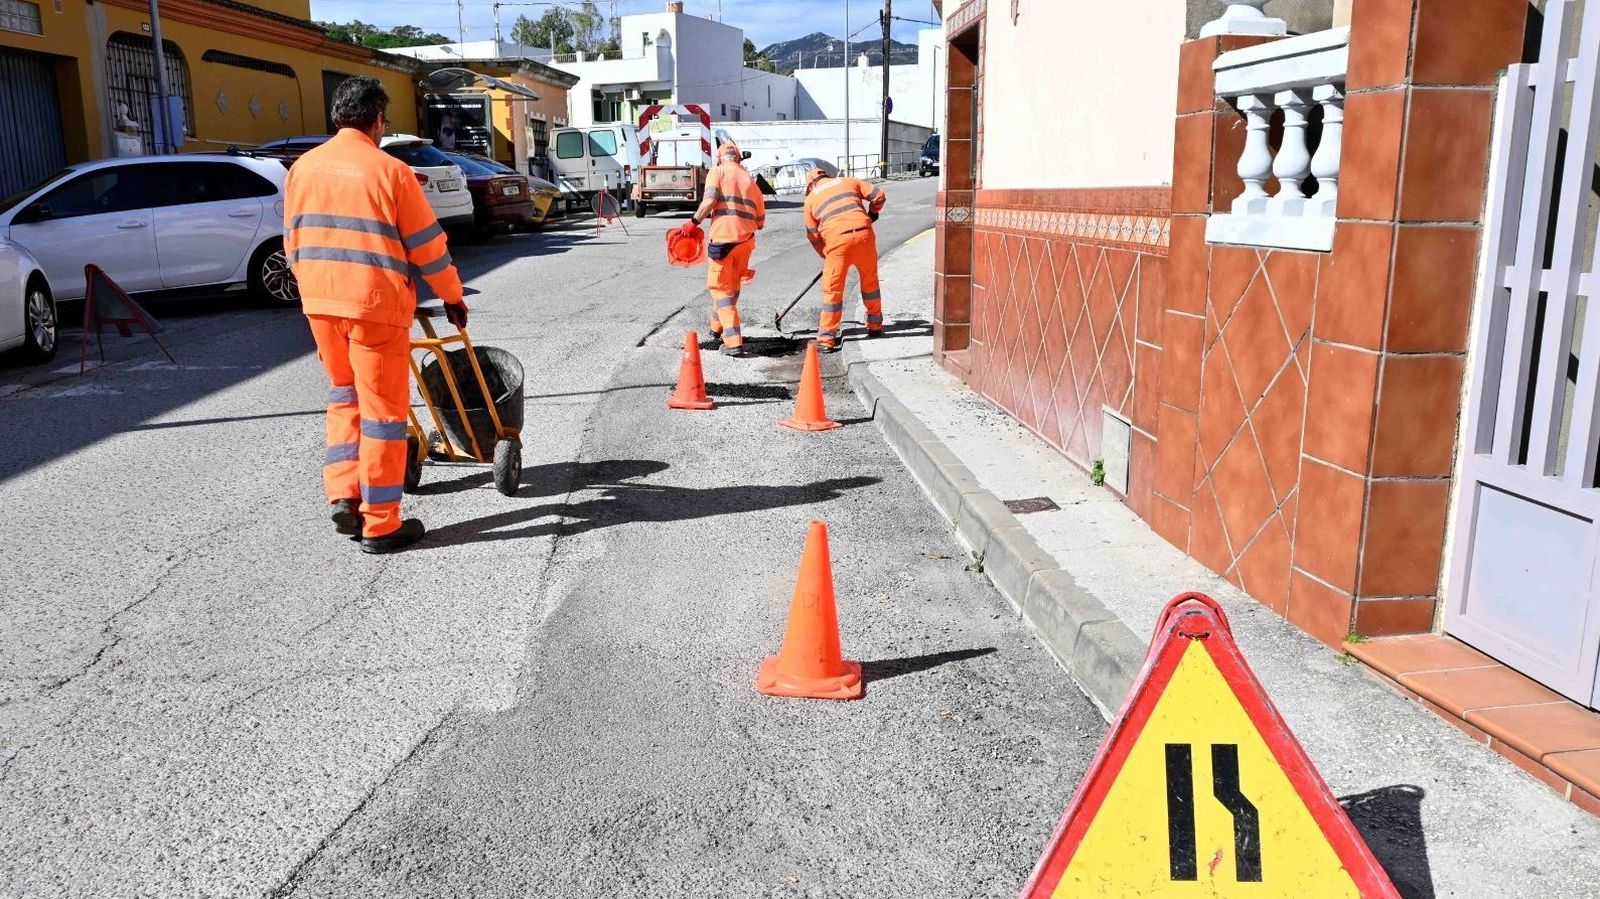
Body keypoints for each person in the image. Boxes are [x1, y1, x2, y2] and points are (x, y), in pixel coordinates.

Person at [284, 76, 468, 554]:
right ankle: (381, 523)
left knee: (344, 398)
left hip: (321, 305)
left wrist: (314, 290)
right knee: (384, 414)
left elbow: (293, 241)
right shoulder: (389, 171)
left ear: (337, 118)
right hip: (373, 308)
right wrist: (451, 295)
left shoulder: (302, 170)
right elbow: (428, 247)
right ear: (378, 121)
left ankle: (344, 495)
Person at [679, 140, 765, 357]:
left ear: (720, 158)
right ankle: (716, 327)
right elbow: (761, 220)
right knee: (732, 286)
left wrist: (693, 222)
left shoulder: (716, 172)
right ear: (738, 158)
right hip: (745, 242)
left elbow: (709, 202)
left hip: (724, 241)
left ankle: (733, 342)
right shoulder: (749, 178)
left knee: (720, 289)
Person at [802, 167, 886, 352]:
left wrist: (827, 255)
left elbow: (813, 236)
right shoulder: (849, 181)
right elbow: (879, 195)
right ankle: (875, 326)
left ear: (811, 185)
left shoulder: (810, 200)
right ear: (827, 176)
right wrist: (872, 214)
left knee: (833, 290)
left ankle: (827, 339)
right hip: (864, 236)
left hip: (837, 243)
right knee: (870, 282)